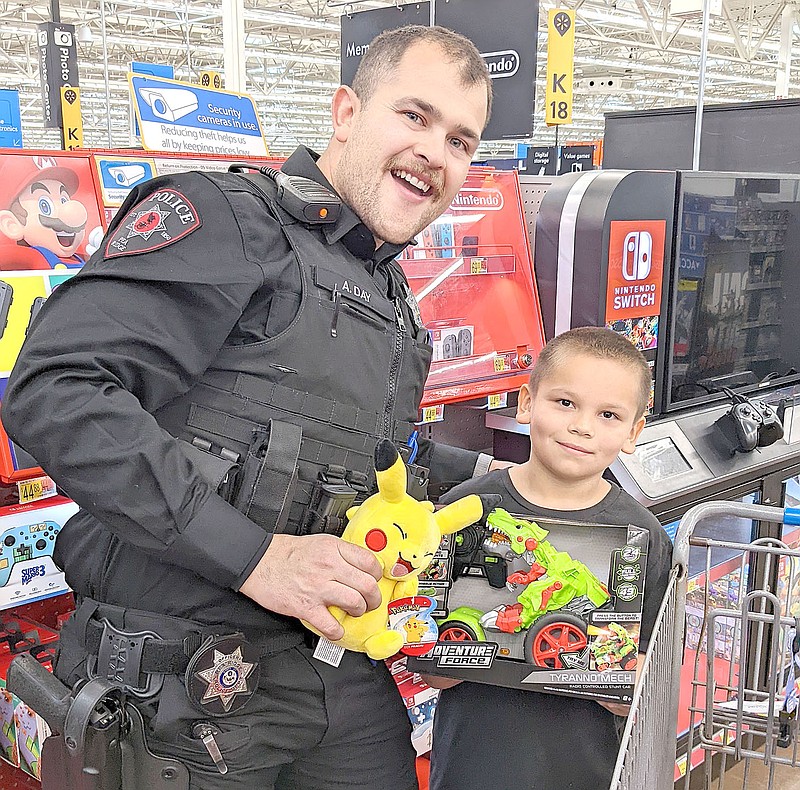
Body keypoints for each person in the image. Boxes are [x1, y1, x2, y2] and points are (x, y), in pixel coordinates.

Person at [2, 25, 496, 790]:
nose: (437, 152)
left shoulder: (397, 303)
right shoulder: (228, 221)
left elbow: (368, 463)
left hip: (334, 677)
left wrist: (515, 483)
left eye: (462, 140)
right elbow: (56, 388)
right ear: (344, 111)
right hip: (176, 693)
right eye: (414, 117)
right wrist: (256, 559)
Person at [425, 326, 673, 790]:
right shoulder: (463, 508)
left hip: (585, 768)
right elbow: (428, 651)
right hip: (472, 764)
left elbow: (645, 680)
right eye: (565, 403)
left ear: (633, 432)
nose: (582, 426)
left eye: (608, 414)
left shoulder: (645, 538)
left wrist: (623, 683)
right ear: (526, 403)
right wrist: (436, 655)